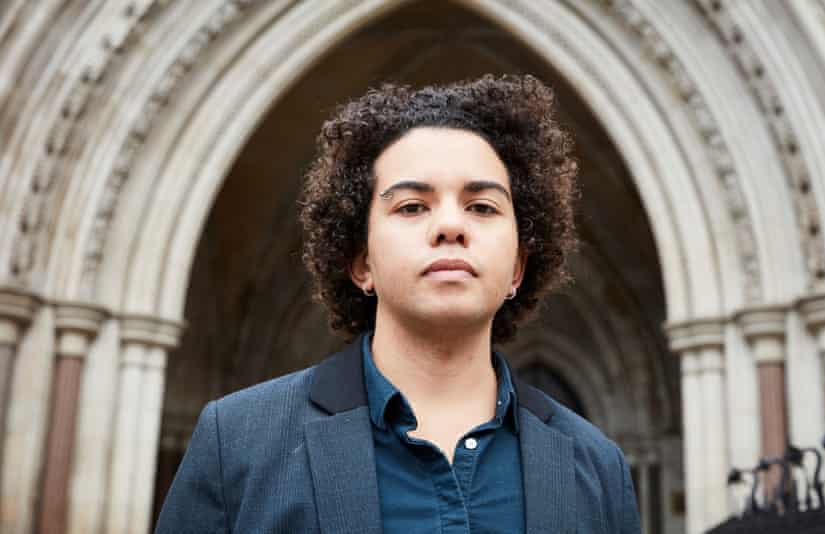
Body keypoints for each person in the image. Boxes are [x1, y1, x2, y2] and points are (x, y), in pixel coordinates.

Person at [155, 74, 641, 534]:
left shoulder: (598, 466)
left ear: (517, 267)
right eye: (412, 206)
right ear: (361, 262)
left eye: (482, 207)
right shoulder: (237, 442)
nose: (450, 226)